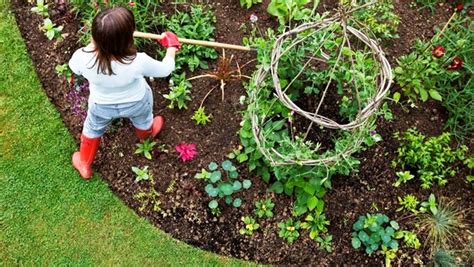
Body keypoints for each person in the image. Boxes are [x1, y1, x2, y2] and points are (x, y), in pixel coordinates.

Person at [68, 7, 181, 179]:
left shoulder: (83, 58)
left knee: (92, 128)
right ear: (129, 38)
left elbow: (73, 67)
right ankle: (146, 135)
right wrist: (171, 47)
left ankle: (84, 163)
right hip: (136, 101)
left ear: (94, 37)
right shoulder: (138, 61)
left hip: (101, 105)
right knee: (143, 119)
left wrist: (94, 45)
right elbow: (166, 69)